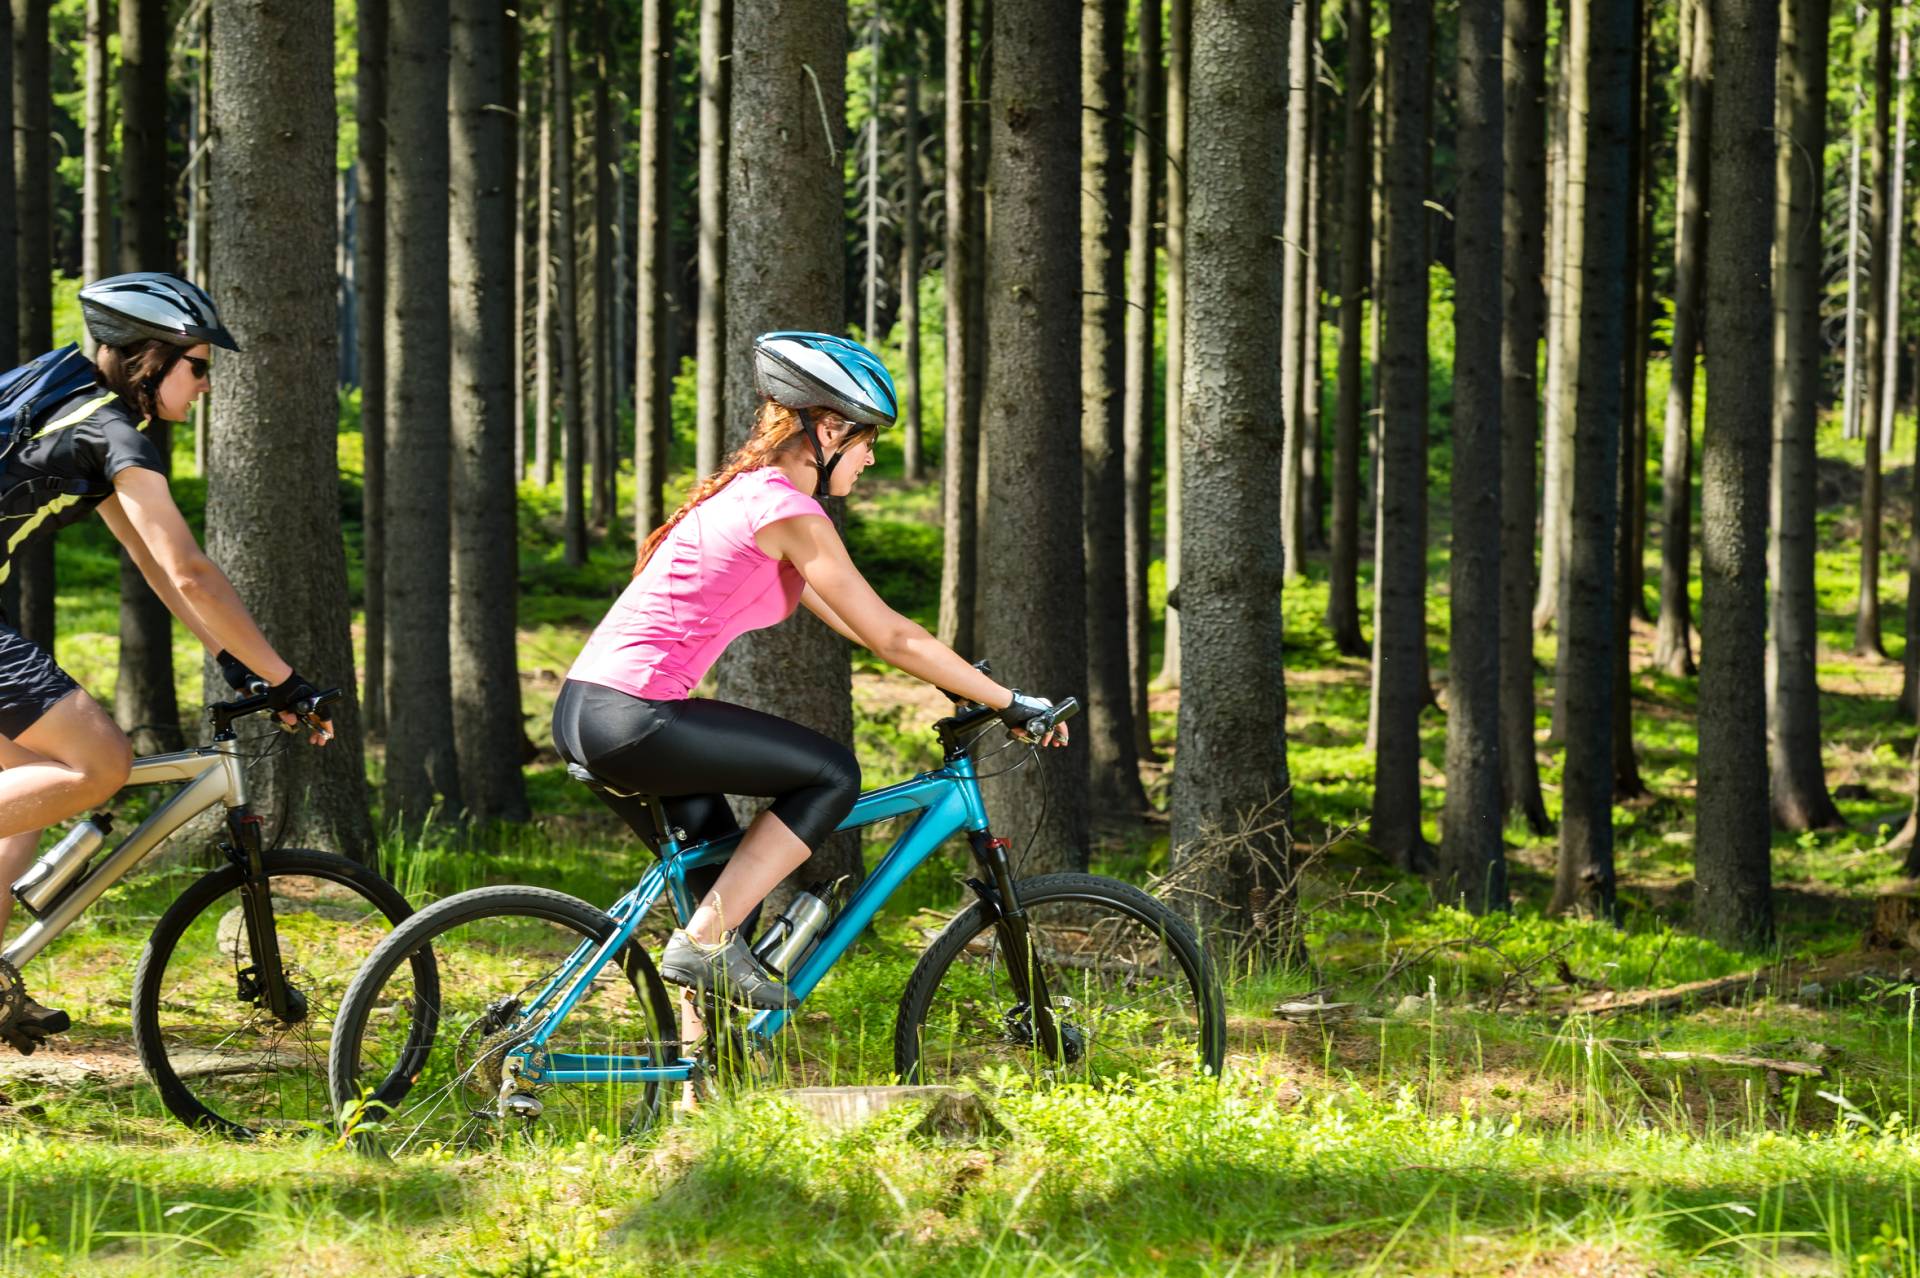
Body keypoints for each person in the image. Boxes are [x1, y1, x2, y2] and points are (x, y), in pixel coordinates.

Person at [552, 331, 1066, 1012]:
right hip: (633, 716)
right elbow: (890, 632)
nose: (872, 458)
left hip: (589, 711)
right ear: (828, 430)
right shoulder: (790, 511)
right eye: (867, 441)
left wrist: (957, 681)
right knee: (830, 774)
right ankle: (703, 944)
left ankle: (695, 1079)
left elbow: (857, 624)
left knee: (722, 885)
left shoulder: (751, 496)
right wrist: (1010, 701)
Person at [0, 272, 333, 1054]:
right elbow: (189, 569)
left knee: (21, 795)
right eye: (199, 364)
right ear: (151, 357)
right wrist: (287, 679)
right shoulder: (111, 431)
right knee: (99, 763)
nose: (207, 382)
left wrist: (237, 660)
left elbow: (155, 566)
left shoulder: (72, 395)